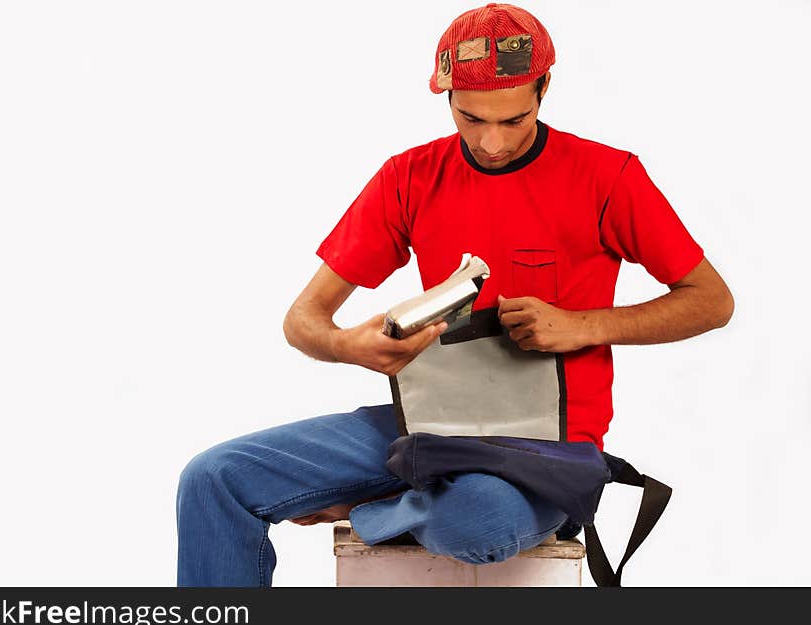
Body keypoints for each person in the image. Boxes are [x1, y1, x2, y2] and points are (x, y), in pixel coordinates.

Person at [176, 3, 734, 587]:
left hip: (542, 449)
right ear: (446, 98)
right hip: (425, 430)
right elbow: (303, 320)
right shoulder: (407, 177)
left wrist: (584, 325)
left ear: (545, 87)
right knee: (215, 478)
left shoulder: (608, 176)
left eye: (514, 120)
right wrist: (348, 346)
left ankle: (372, 508)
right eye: (471, 119)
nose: (492, 143)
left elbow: (711, 301)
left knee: (474, 524)